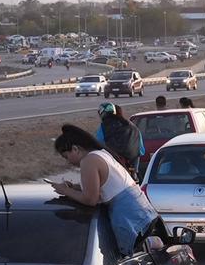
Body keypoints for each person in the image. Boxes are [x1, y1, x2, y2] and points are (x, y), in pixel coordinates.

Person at [50, 124, 162, 255]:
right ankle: (155, 243)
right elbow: (104, 184)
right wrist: (75, 187)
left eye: (66, 156)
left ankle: (154, 244)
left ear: (75, 149)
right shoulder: (100, 154)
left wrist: (65, 191)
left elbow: (91, 199)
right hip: (141, 213)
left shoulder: (89, 160)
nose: (67, 162)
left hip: (131, 218)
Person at [95, 102, 144, 177]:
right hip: (132, 164)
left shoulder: (103, 127)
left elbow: (98, 145)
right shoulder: (130, 125)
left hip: (114, 165)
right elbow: (140, 149)